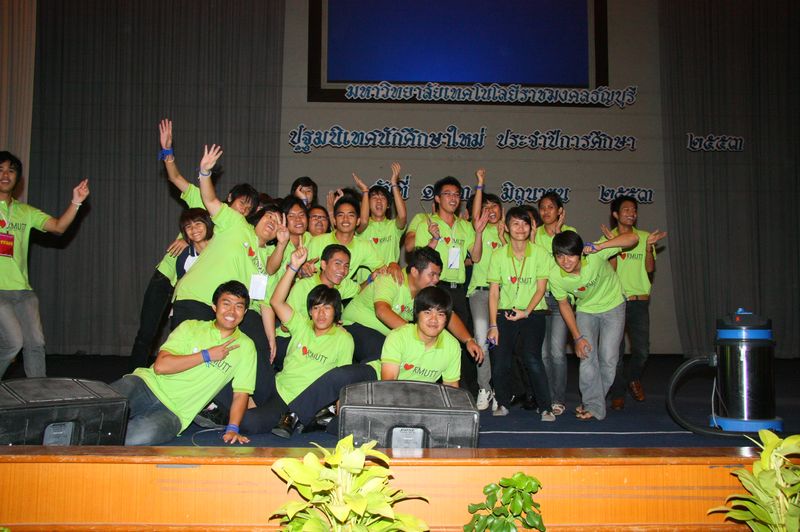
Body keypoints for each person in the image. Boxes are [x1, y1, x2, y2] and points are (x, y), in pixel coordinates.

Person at [129, 120, 257, 371]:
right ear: (230, 197)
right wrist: (167, 150)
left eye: (249, 208)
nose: (244, 209)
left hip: (197, 289)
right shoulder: (205, 200)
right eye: (242, 203)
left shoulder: (237, 230)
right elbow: (175, 177)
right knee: (148, 331)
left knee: (190, 339)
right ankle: (131, 378)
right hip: (169, 273)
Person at [171, 145, 280, 405]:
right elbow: (210, 200)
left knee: (221, 358)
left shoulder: (265, 261)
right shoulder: (236, 223)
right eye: (269, 217)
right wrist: (205, 172)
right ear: (257, 217)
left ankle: (231, 404)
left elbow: (263, 302)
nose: (272, 223)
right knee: (186, 355)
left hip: (223, 309)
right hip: (196, 296)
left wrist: (271, 338)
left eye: (278, 223)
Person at [110, 281, 256, 445]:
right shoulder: (190, 327)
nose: (232, 311)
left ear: (245, 312)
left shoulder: (246, 347)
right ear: (214, 306)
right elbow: (161, 367)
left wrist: (233, 428)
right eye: (226, 304)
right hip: (146, 385)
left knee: (134, 438)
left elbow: (241, 393)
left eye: (238, 306)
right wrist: (206, 355)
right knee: (100, 408)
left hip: (175, 411)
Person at [0, 151, 90, 379]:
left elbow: (59, 227)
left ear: (18, 178)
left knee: (36, 343)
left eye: (11, 171)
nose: (5, 175)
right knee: (13, 342)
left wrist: (76, 202)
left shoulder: (25, 212)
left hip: (23, 291)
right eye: (0, 170)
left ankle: (37, 395)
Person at [265, 245, 355, 437]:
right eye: (316, 308)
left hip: (307, 396)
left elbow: (342, 381)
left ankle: (305, 415)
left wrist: (341, 413)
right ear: (310, 312)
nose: (321, 314)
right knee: (251, 422)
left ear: (336, 312)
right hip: (281, 389)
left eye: (327, 308)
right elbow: (276, 302)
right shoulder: (302, 324)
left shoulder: (344, 339)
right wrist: (293, 267)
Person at [548, 230, 638, 421]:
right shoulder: (555, 276)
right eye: (560, 256)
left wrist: (601, 246)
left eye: (570, 255)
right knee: (587, 354)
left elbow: (633, 238)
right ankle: (593, 406)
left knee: (609, 358)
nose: (565, 261)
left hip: (614, 305)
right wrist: (577, 337)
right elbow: (564, 305)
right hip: (586, 310)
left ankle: (593, 403)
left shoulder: (595, 255)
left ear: (580, 252)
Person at [414, 176, 489, 395]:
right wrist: (434, 239)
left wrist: (478, 232)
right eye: (447, 194)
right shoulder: (426, 224)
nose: (453, 198)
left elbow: (475, 257)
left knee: (463, 339)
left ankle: (466, 392)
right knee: (434, 338)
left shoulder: (464, 226)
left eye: (457, 194)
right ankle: (429, 387)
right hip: (436, 288)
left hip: (459, 289)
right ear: (437, 198)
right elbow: (419, 260)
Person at [486, 207, 554, 421]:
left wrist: (525, 312)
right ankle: (502, 402)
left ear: (531, 227)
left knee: (532, 358)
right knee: (501, 360)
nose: (521, 228)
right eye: (515, 223)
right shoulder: (498, 255)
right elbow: (494, 293)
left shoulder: (540, 253)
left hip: (533, 312)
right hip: (505, 313)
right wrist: (493, 325)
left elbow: (541, 289)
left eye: (525, 223)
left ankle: (546, 407)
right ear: (506, 227)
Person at [604, 196, 667, 410]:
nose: (631, 213)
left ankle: (633, 378)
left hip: (639, 302)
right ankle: (618, 393)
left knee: (642, 351)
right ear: (615, 214)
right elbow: (609, 272)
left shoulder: (645, 237)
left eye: (634, 210)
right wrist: (612, 246)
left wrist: (648, 248)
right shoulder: (608, 238)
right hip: (617, 302)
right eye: (626, 209)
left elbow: (650, 269)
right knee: (616, 353)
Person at [466, 168, 506, 411]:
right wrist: (480, 184)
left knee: (502, 345)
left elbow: (516, 261)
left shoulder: (511, 231)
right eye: (485, 207)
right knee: (482, 340)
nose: (490, 210)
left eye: (495, 206)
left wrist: (503, 238)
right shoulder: (476, 229)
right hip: (480, 293)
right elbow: (476, 258)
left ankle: (501, 389)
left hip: (506, 295)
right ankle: (485, 388)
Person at [535, 191, 577, 416]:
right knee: (543, 354)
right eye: (542, 207)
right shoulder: (535, 234)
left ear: (560, 211)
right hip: (541, 299)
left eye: (550, 207)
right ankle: (547, 398)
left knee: (557, 352)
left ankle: (558, 399)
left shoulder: (570, 232)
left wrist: (559, 234)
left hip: (561, 299)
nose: (546, 211)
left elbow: (571, 263)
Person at [380, 286, 461, 387]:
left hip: (422, 393)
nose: (433, 320)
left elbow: (451, 385)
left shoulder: (452, 346)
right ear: (417, 314)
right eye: (427, 312)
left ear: (446, 319)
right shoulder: (398, 336)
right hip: (383, 386)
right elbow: (388, 383)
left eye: (440, 314)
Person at [352, 162, 407, 275]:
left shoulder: (393, 227)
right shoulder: (362, 226)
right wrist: (365, 192)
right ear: (367, 204)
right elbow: (364, 221)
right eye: (374, 197)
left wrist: (394, 184)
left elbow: (402, 216)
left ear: (388, 205)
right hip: (366, 283)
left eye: (382, 197)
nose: (378, 200)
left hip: (388, 282)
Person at [175, 208, 214, 280]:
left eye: (198, 224)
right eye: (188, 226)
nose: (194, 229)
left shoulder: (220, 246)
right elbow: (182, 285)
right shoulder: (184, 258)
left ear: (207, 224)